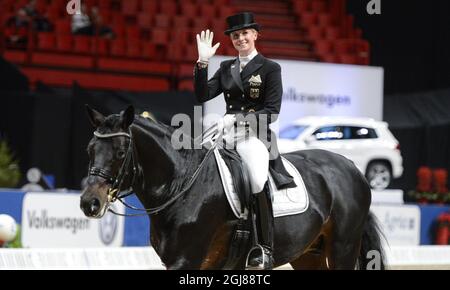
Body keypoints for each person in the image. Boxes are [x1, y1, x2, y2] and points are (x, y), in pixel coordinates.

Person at [194, 12, 296, 270]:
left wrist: (236, 119)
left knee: (256, 178)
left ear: (255, 35)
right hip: (225, 133)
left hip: (254, 135)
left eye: (244, 34)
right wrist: (202, 63)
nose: (240, 39)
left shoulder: (270, 68)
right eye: (236, 35)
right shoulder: (226, 67)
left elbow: (271, 111)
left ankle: (264, 247)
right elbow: (201, 95)